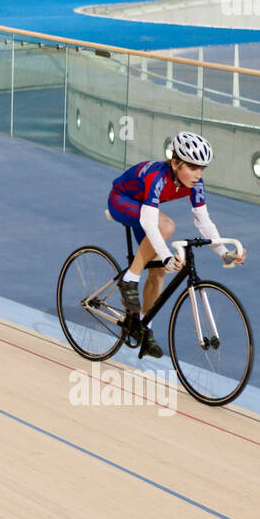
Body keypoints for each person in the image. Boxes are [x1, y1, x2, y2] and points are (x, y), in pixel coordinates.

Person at [107, 131, 248, 359]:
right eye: (192, 168)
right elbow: (150, 223)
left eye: (202, 169)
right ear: (175, 162)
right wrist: (166, 255)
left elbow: (204, 222)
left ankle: (144, 327)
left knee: (159, 272)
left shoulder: (195, 184)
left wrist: (224, 254)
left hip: (144, 209)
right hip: (121, 200)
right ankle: (130, 279)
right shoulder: (157, 176)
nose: (198, 174)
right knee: (167, 226)